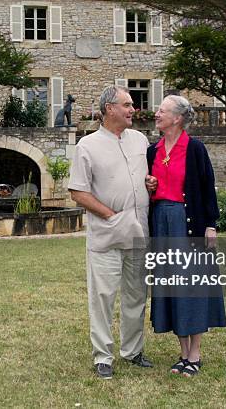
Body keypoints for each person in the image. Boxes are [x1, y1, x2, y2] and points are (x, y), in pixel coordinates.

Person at [68, 85, 157, 379]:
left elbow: (145, 177)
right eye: (127, 105)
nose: (134, 109)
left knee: (136, 294)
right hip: (106, 233)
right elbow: (77, 192)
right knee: (103, 296)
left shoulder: (140, 140)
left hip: (139, 230)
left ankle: (132, 351)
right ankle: (103, 356)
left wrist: (150, 184)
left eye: (132, 105)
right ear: (109, 109)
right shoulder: (88, 146)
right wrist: (110, 216)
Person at [147, 95, 226, 377]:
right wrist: (150, 185)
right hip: (161, 222)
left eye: (162, 110)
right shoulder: (152, 150)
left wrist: (210, 224)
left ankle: (195, 354)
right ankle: (182, 353)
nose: (156, 113)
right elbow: (151, 189)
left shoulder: (195, 149)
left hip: (188, 223)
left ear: (177, 118)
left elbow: (207, 187)